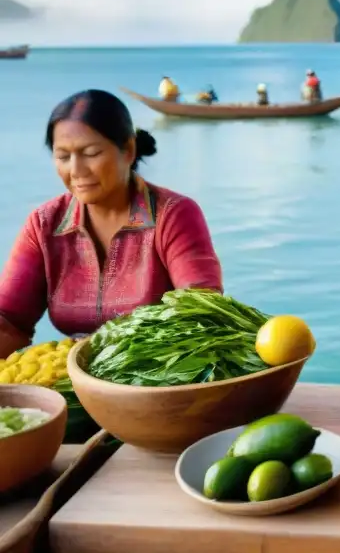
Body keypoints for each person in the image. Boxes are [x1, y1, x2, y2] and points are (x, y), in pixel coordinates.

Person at [0, 90, 223, 358]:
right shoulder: (44, 224)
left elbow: (202, 314)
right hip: (72, 380)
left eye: (91, 153)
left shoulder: (173, 215)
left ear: (128, 150)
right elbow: (9, 320)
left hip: (157, 378)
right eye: (62, 157)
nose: (76, 170)